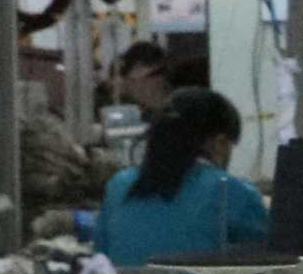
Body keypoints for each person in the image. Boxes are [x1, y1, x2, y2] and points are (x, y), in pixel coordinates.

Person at [91, 87, 274, 262]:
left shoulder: (119, 185)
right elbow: (268, 259)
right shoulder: (230, 190)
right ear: (220, 143)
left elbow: (102, 255)